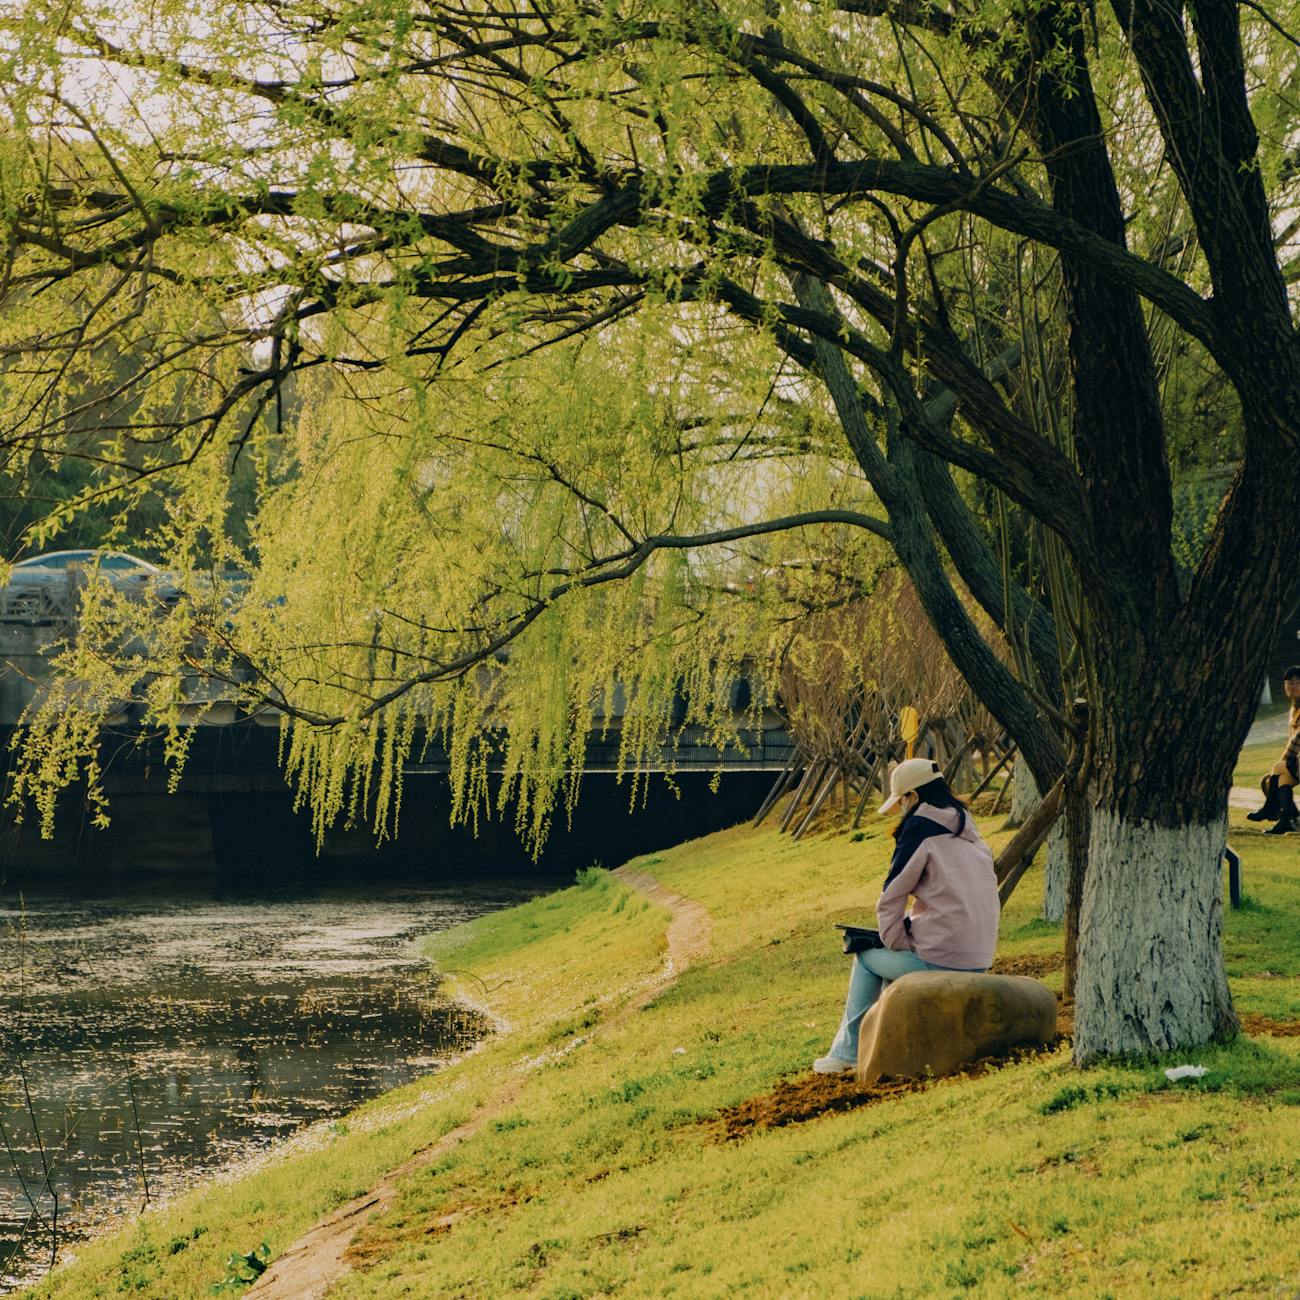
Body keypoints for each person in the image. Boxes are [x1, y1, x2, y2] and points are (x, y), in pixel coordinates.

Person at [813, 756, 1000, 1075]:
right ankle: (887, 1046)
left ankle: (847, 1053)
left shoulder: (919, 828)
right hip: (979, 956)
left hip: (942, 956)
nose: (900, 809)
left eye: (900, 801)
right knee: (891, 960)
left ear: (913, 797)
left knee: (866, 957)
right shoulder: (970, 831)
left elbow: (891, 899)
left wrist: (896, 942)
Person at [1246, 666, 1300, 835]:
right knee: (1282, 780)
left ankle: (1270, 811)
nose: (1292, 686)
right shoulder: (1294, 709)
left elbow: (1298, 738)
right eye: (1289, 683)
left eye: (1297, 682)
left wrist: (1284, 759)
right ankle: (1286, 821)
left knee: (1278, 768)